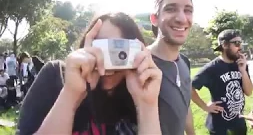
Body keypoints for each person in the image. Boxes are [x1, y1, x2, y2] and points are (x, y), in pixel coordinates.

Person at [17, 12, 163, 135]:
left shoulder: (140, 92)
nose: (107, 63)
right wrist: (71, 94)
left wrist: (147, 105)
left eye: (119, 52)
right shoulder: (55, 76)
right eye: (101, 48)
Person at [149, 0, 195, 135]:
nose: (182, 18)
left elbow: (185, 107)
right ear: (154, 19)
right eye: (171, 9)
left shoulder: (184, 62)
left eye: (188, 10)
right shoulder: (139, 64)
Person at [191, 29, 253, 135]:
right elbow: (189, 88)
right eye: (236, 43)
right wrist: (205, 106)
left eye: (240, 43)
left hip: (239, 122)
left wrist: (243, 71)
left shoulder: (240, 64)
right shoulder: (211, 68)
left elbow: (249, 92)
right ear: (224, 45)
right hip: (219, 126)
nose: (240, 47)